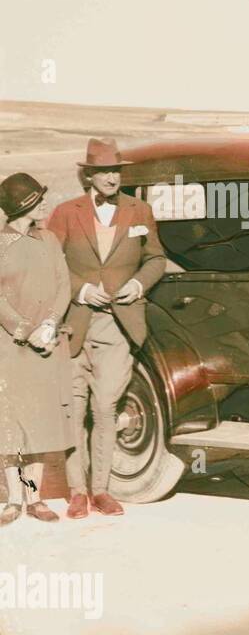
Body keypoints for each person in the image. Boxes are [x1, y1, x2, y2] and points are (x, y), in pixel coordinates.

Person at [44, 138, 165, 518]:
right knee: (75, 409)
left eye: (116, 171)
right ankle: (77, 491)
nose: (112, 178)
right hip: (75, 324)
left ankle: (103, 489)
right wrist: (81, 290)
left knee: (106, 405)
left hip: (119, 324)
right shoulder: (65, 212)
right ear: (89, 175)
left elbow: (156, 258)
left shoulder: (139, 210)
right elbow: (51, 263)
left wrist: (139, 284)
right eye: (103, 171)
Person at [0, 172, 74, 525]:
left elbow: (63, 284)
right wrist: (26, 330)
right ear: (23, 206)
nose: (44, 203)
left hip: (46, 343)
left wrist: (50, 324)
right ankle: (14, 499)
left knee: (41, 423)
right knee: (12, 424)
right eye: (38, 198)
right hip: (10, 346)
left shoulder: (50, 240)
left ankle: (35, 498)